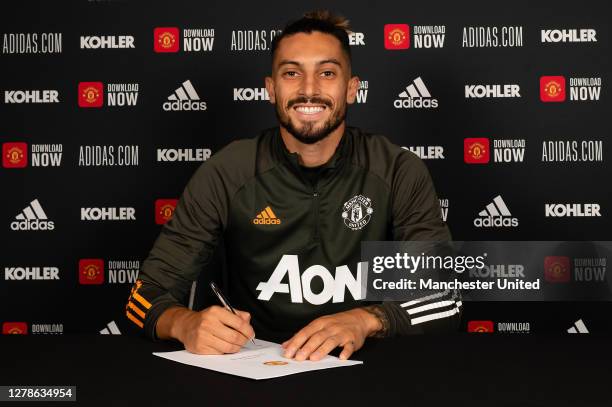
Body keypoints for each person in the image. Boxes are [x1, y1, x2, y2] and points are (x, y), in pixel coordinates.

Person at [126, 10, 461, 361]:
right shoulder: (228, 170)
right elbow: (145, 295)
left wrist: (366, 320)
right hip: (254, 366)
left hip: (365, 367)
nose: (309, 90)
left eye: (327, 73)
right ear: (271, 89)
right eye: (291, 73)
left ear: (351, 89)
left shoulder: (396, 169)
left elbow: (444, 297)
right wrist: (184, 324)